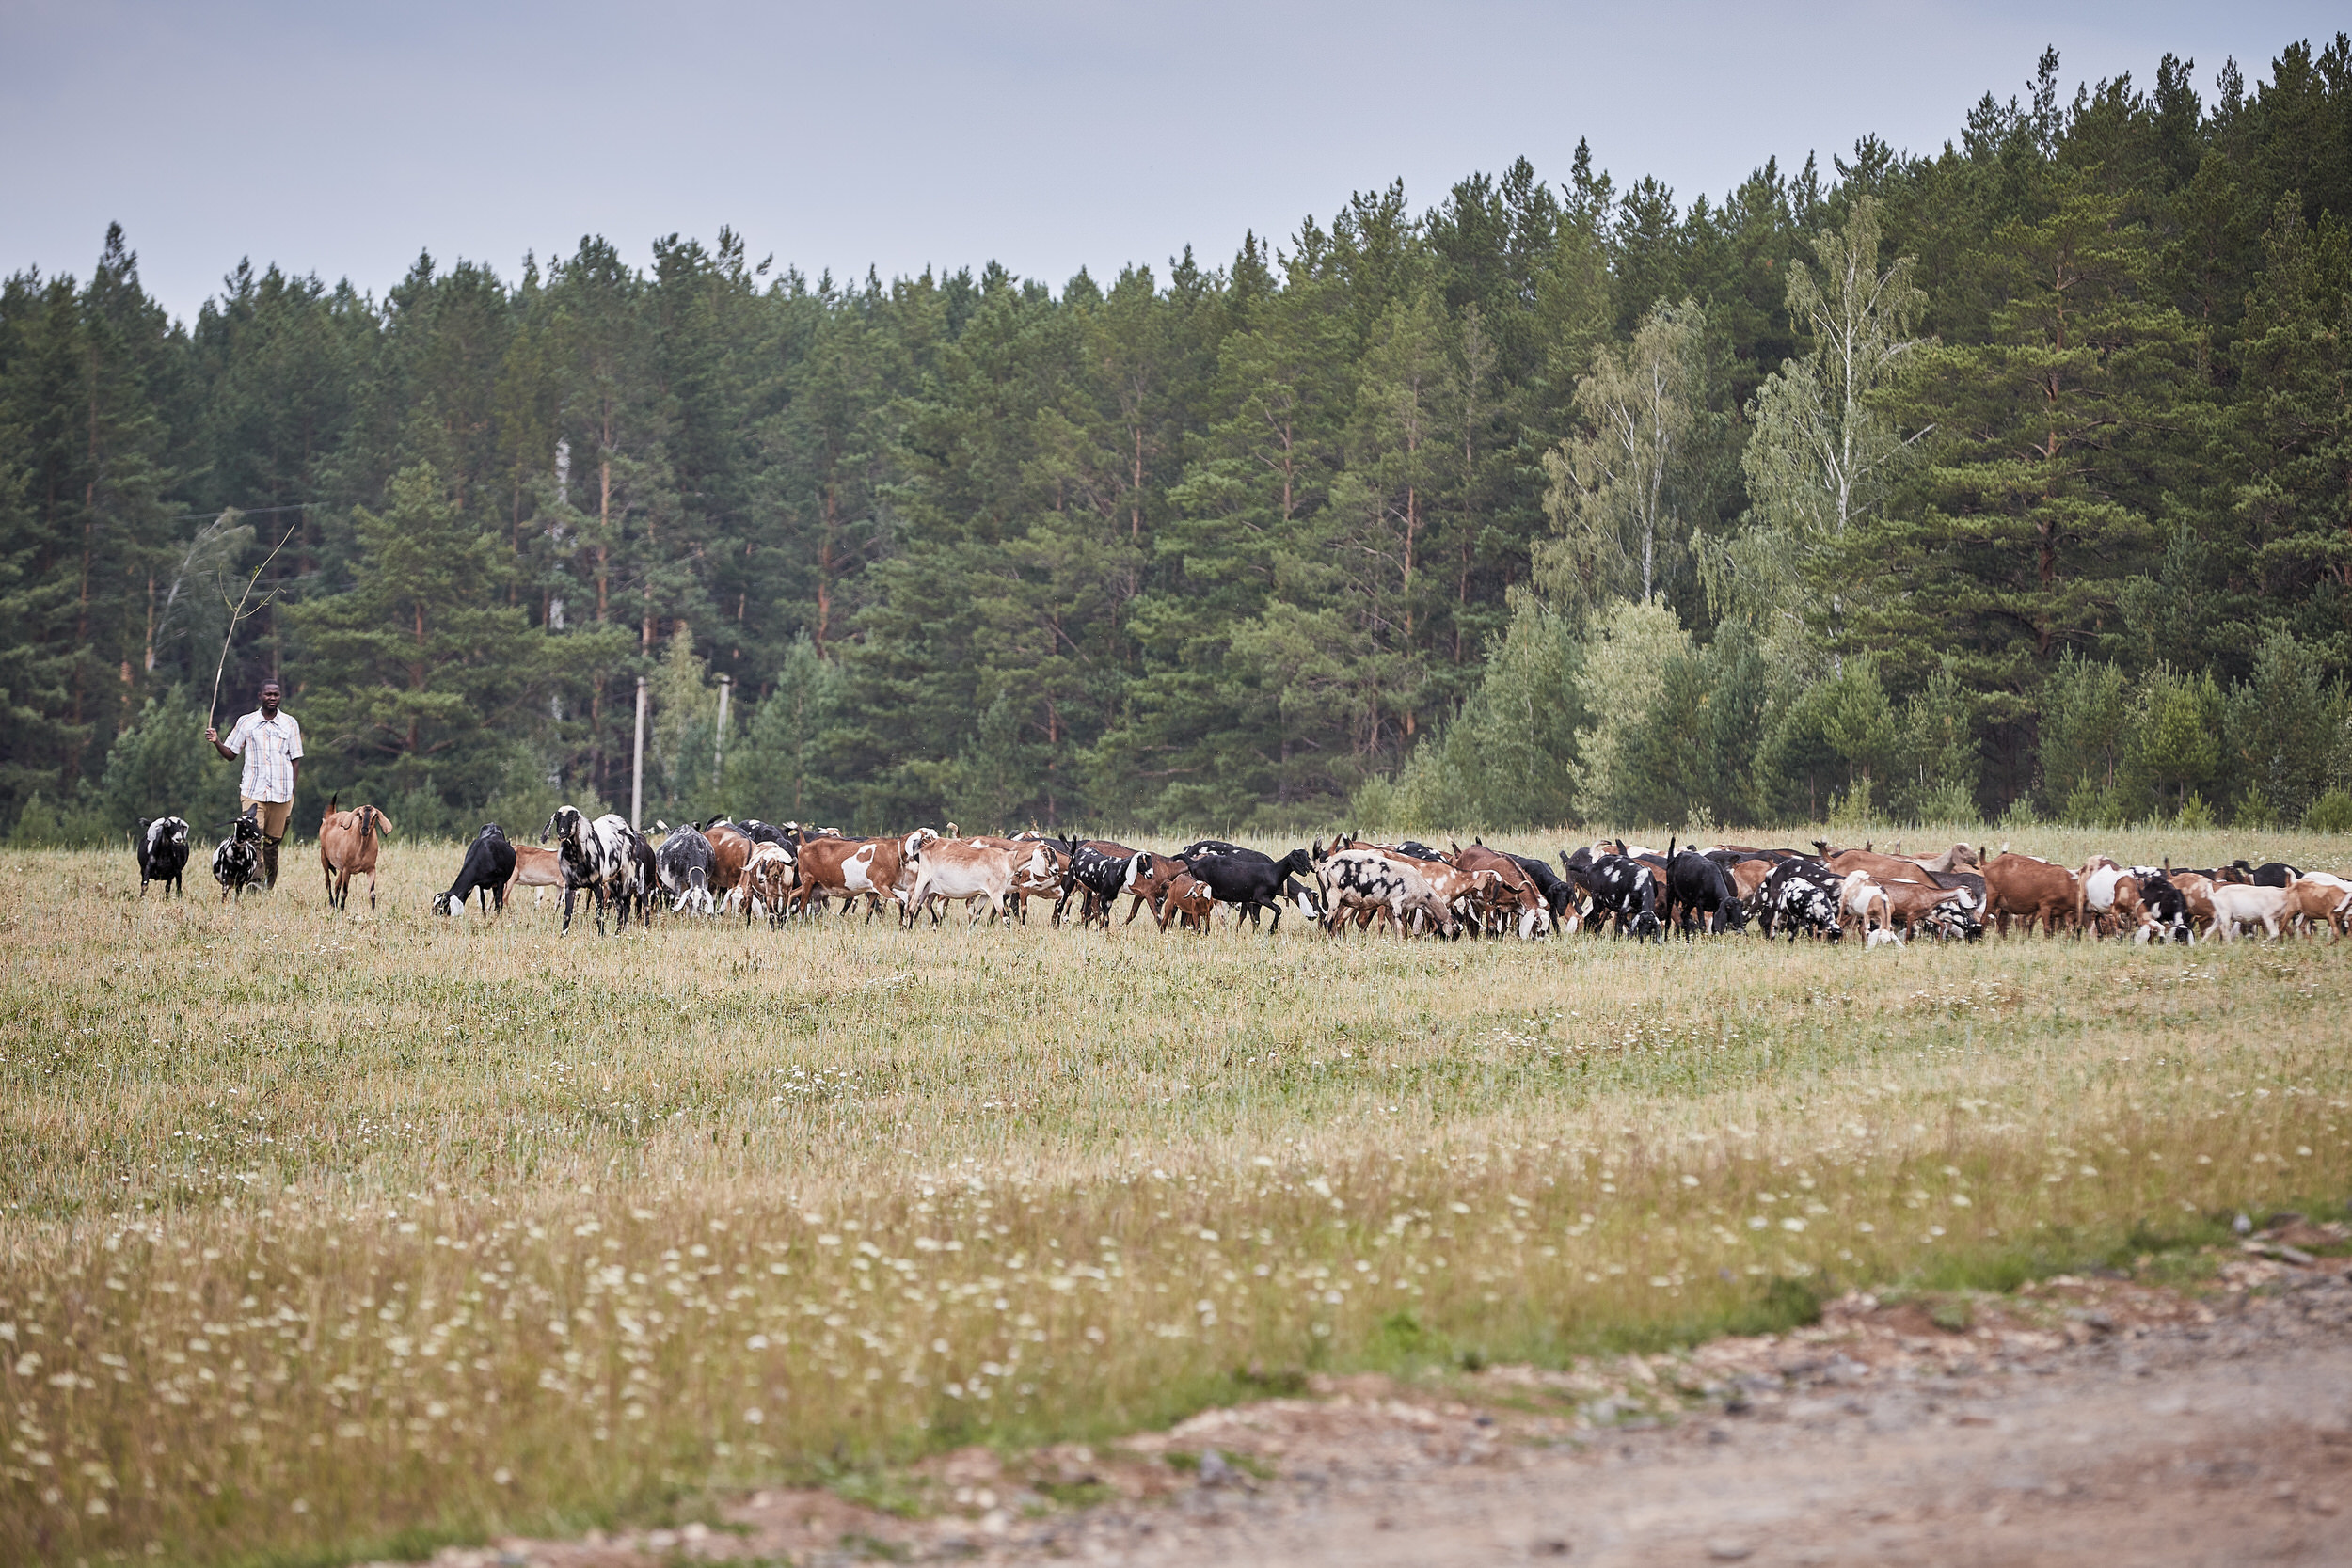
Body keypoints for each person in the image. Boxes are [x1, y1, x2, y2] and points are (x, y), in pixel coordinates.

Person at [206, 680, 303, 890]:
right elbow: (231, 754)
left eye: (276, 694)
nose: (272, 697)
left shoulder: (290, 724)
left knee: (271, 843)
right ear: (260, 695)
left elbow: (296, 760)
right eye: (268, 694)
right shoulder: (246, 722)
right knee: (253, 837)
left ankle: (268, 883)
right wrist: (216, 741)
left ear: (280, 696)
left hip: (282, 794)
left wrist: (293, 790)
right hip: (253, 791)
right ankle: (255, 882)